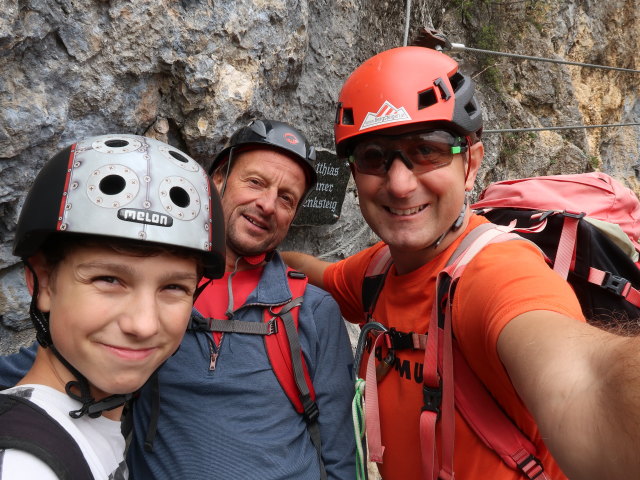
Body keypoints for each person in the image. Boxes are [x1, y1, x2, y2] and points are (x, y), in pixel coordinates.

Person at [282, 46, 640, 480]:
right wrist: (251, 251)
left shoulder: (497, 274)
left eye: (427, 150)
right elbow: (314, 271)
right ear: (355, 175)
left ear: (470, 163)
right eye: (374, 157)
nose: (398, 184)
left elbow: (585, 381)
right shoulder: (378, 271)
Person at [0, 120, 356, 479]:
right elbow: (57, 361)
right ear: (217, 180)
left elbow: (338, 451)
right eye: (255, 182)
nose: (267, 204)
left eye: (286, 198)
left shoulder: (311, 310)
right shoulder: (162, 304)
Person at [0, 133, 225, 479]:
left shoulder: (98, 428)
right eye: (109, 280)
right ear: (42, 282)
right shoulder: (24, 464)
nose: (144, 324)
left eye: (174, 287)